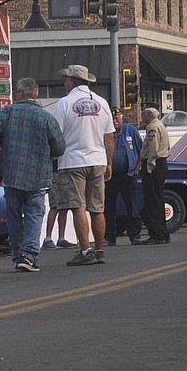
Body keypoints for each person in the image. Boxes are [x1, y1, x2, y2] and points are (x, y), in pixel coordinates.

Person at [0, 78, 65, 272]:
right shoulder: (46, 117)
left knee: (14, 217)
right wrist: (49, 154)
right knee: (34, 216)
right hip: (38, 175)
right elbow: (60, 147)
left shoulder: (8, 112)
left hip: (12, 173)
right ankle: (29, 255)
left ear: (19, 93)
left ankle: (19, 254)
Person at [51, 64, 115, 266]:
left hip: (72, 161)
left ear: (73, 82)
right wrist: (109, 163)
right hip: (97, 159)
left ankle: (85, 249)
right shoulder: (102, 103)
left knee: (78, 205)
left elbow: (55, 135)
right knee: (97, 208)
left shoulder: (64, 103)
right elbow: (110, 138)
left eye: (66, 80)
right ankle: (99, 249)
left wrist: (54, 155)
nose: (64, 83)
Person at [104, 106, 143, 245]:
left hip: (128, 174)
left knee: (131, 206)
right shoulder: (106, 131)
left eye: (117, 118)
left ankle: (134, 235)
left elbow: (141, 150)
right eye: (112, 119)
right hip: (110, 175)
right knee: (109, 207)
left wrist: (137, 169)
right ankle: (110, 236)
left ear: (122, 118)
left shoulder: (130, 130)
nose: (114, 121)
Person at [139, 105, 171, 245]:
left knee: (152, 200)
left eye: (143, 114)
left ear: (149, 115)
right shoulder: (160, 125)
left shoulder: (153, 128)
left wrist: (150, 166)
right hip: (161, 163)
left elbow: (153, 149)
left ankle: (156, 234)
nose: (141, 117)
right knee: (158, 199)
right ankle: (163, 233)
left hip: (154, 164)